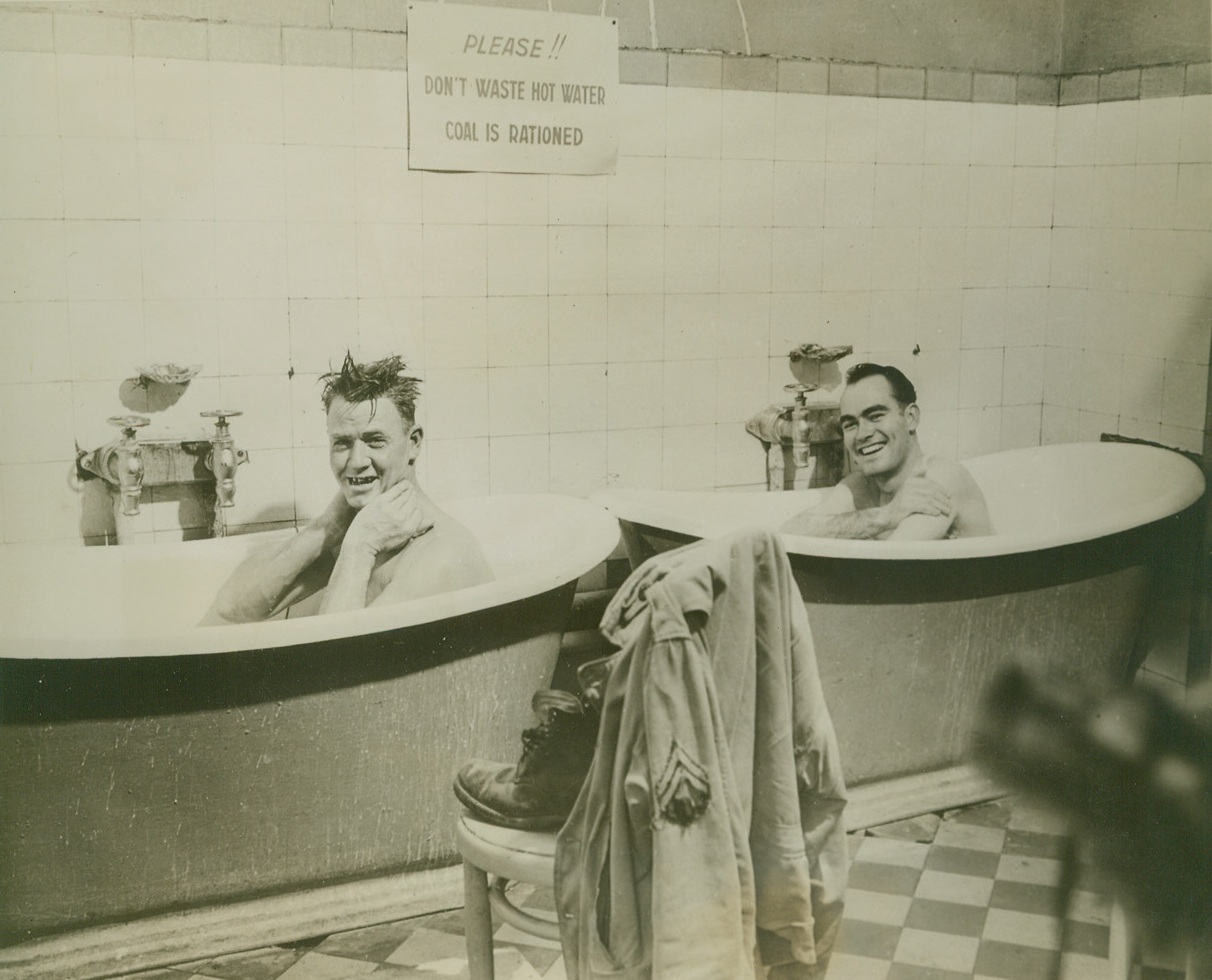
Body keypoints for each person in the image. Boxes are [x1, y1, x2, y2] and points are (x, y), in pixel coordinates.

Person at [205, 353, 493, 623]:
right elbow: (234, 608)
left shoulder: (439, 554)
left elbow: (335, 661)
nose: (356, 461)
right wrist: (327, 526)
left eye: (375, 441)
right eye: (342, 443)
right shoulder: (365, 526)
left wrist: (360, 546)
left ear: (413, 443)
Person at [782, 362, 992, 540]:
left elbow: (890, 569)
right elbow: (788, 534)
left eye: (875, 416)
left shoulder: (939, 479)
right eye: (850, 424)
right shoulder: (860, 488)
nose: (863, 434)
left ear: (911, 418)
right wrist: (884, 516)